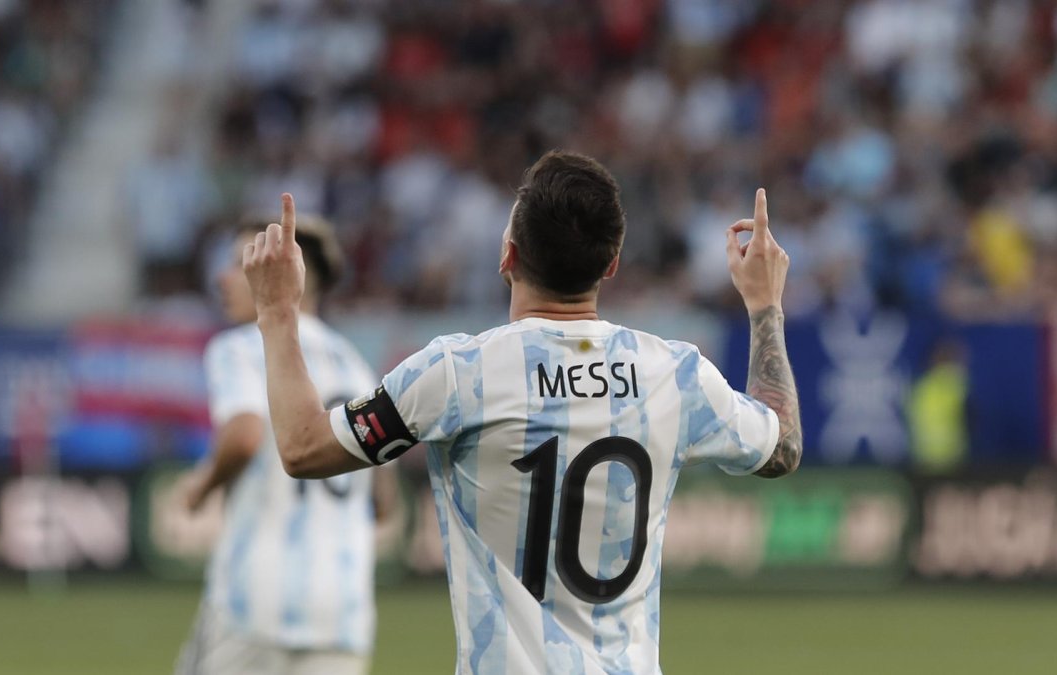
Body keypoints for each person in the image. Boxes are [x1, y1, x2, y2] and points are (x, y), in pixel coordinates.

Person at [244, 151, 802, 674]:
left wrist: (276, 310)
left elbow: (302, 447)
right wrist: (764, 305)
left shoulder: (457, 373)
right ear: (610, 265)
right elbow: (781, 447)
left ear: (507, 255)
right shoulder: (675, 374)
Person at [176, 213, 395, 675]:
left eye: (242, 263)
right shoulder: (356, 366)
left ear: (282, 275)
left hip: (254, 600)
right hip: (342, 610)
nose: (224, 277)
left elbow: (243, 434)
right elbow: (385, 500)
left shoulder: (239, 347)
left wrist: (201, 487)